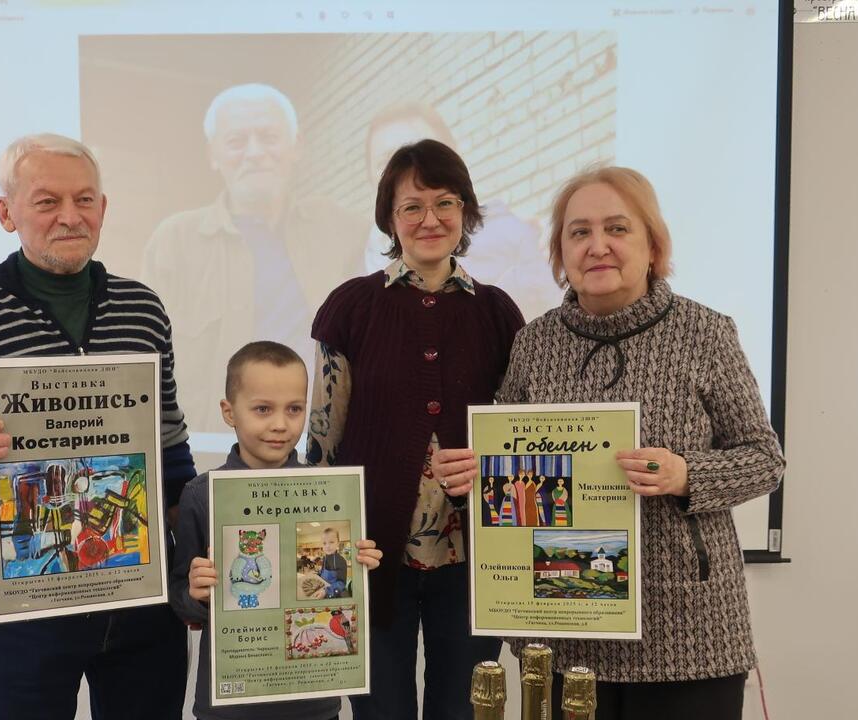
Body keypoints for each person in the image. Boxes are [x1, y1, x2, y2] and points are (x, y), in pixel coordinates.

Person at [433, 166, 785, 720]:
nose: (598, 246)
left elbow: (765, 460)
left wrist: (685, 473)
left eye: (617, 228)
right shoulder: (534, 343)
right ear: (560, 252)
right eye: (579, 232)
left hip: (686, 634)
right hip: (559, 627)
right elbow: (506, 468)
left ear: (652, 245)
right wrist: (474, 476)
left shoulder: (706, 332)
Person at [0, 133, 197, 720]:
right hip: (20, 602)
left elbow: (170, 448)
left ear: (103, 210)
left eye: (85, 199)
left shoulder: (143, 308)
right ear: (7, 213)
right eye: (47, 201)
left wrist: (190, 554)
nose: (70, 216)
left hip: (139, 592)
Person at [308, 139, 526, 719]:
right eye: (412, 206)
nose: (430, 219)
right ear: (389, 218)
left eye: (446, 203)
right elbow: (324, 438)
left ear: (466, 213)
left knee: (464, 708)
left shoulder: (500, 313)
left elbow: (520, 435)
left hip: (475, 557)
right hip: (373, 555)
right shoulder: (351, 307)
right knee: (382, 710)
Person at [170, 340, 382, 720]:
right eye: (263, 409)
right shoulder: (200, 495)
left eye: (294, 409)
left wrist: (361, 568)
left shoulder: (333, 493)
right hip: (230, 702)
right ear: (229, 411)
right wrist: (195, 592)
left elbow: (345, 600)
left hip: (314, 701)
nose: (280, 424)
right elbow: (181, 601)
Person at [143, 83, 364, 432]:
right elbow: (151, 365)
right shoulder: (174, 243)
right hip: (216, 451)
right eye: (236, 142)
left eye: (269, 137)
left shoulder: (342, 230)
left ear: (297, 146)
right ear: (213, 155)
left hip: (326, 446)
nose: (255, 152)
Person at [362, 102, 557, 320]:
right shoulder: (352, 280)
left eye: (424, 154)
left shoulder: (513, 239)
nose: (408, 171)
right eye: (385, 162)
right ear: (370, 176)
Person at [317, 527, 349, 598]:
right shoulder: (325, 558)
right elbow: (322, 572)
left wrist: (326, 591)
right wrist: (317, 575)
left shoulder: (341, 561)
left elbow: (341, 583)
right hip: (322, 589)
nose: (327, 546)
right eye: (324, 543)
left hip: (334, 593)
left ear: (338, 543)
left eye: (331, 542)